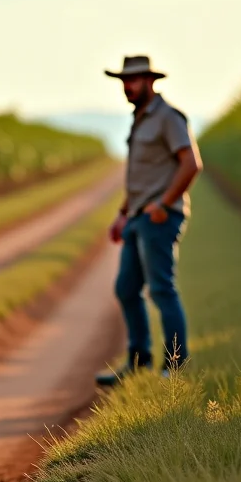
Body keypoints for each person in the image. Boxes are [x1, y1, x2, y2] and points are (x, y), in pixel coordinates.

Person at [97, 56, 202, 386]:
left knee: (161, 289)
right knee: (127, 288)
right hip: (137, 217)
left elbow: (191, 164)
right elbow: (143, 175)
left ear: (150, 81)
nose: (127, 87)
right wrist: (122, 213)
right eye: (124, 81)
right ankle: (139, 360)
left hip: (159, 218)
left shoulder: (168, 118)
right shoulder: (140, 119)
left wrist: (163, 204)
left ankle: (176, 367)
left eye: (134, 80)